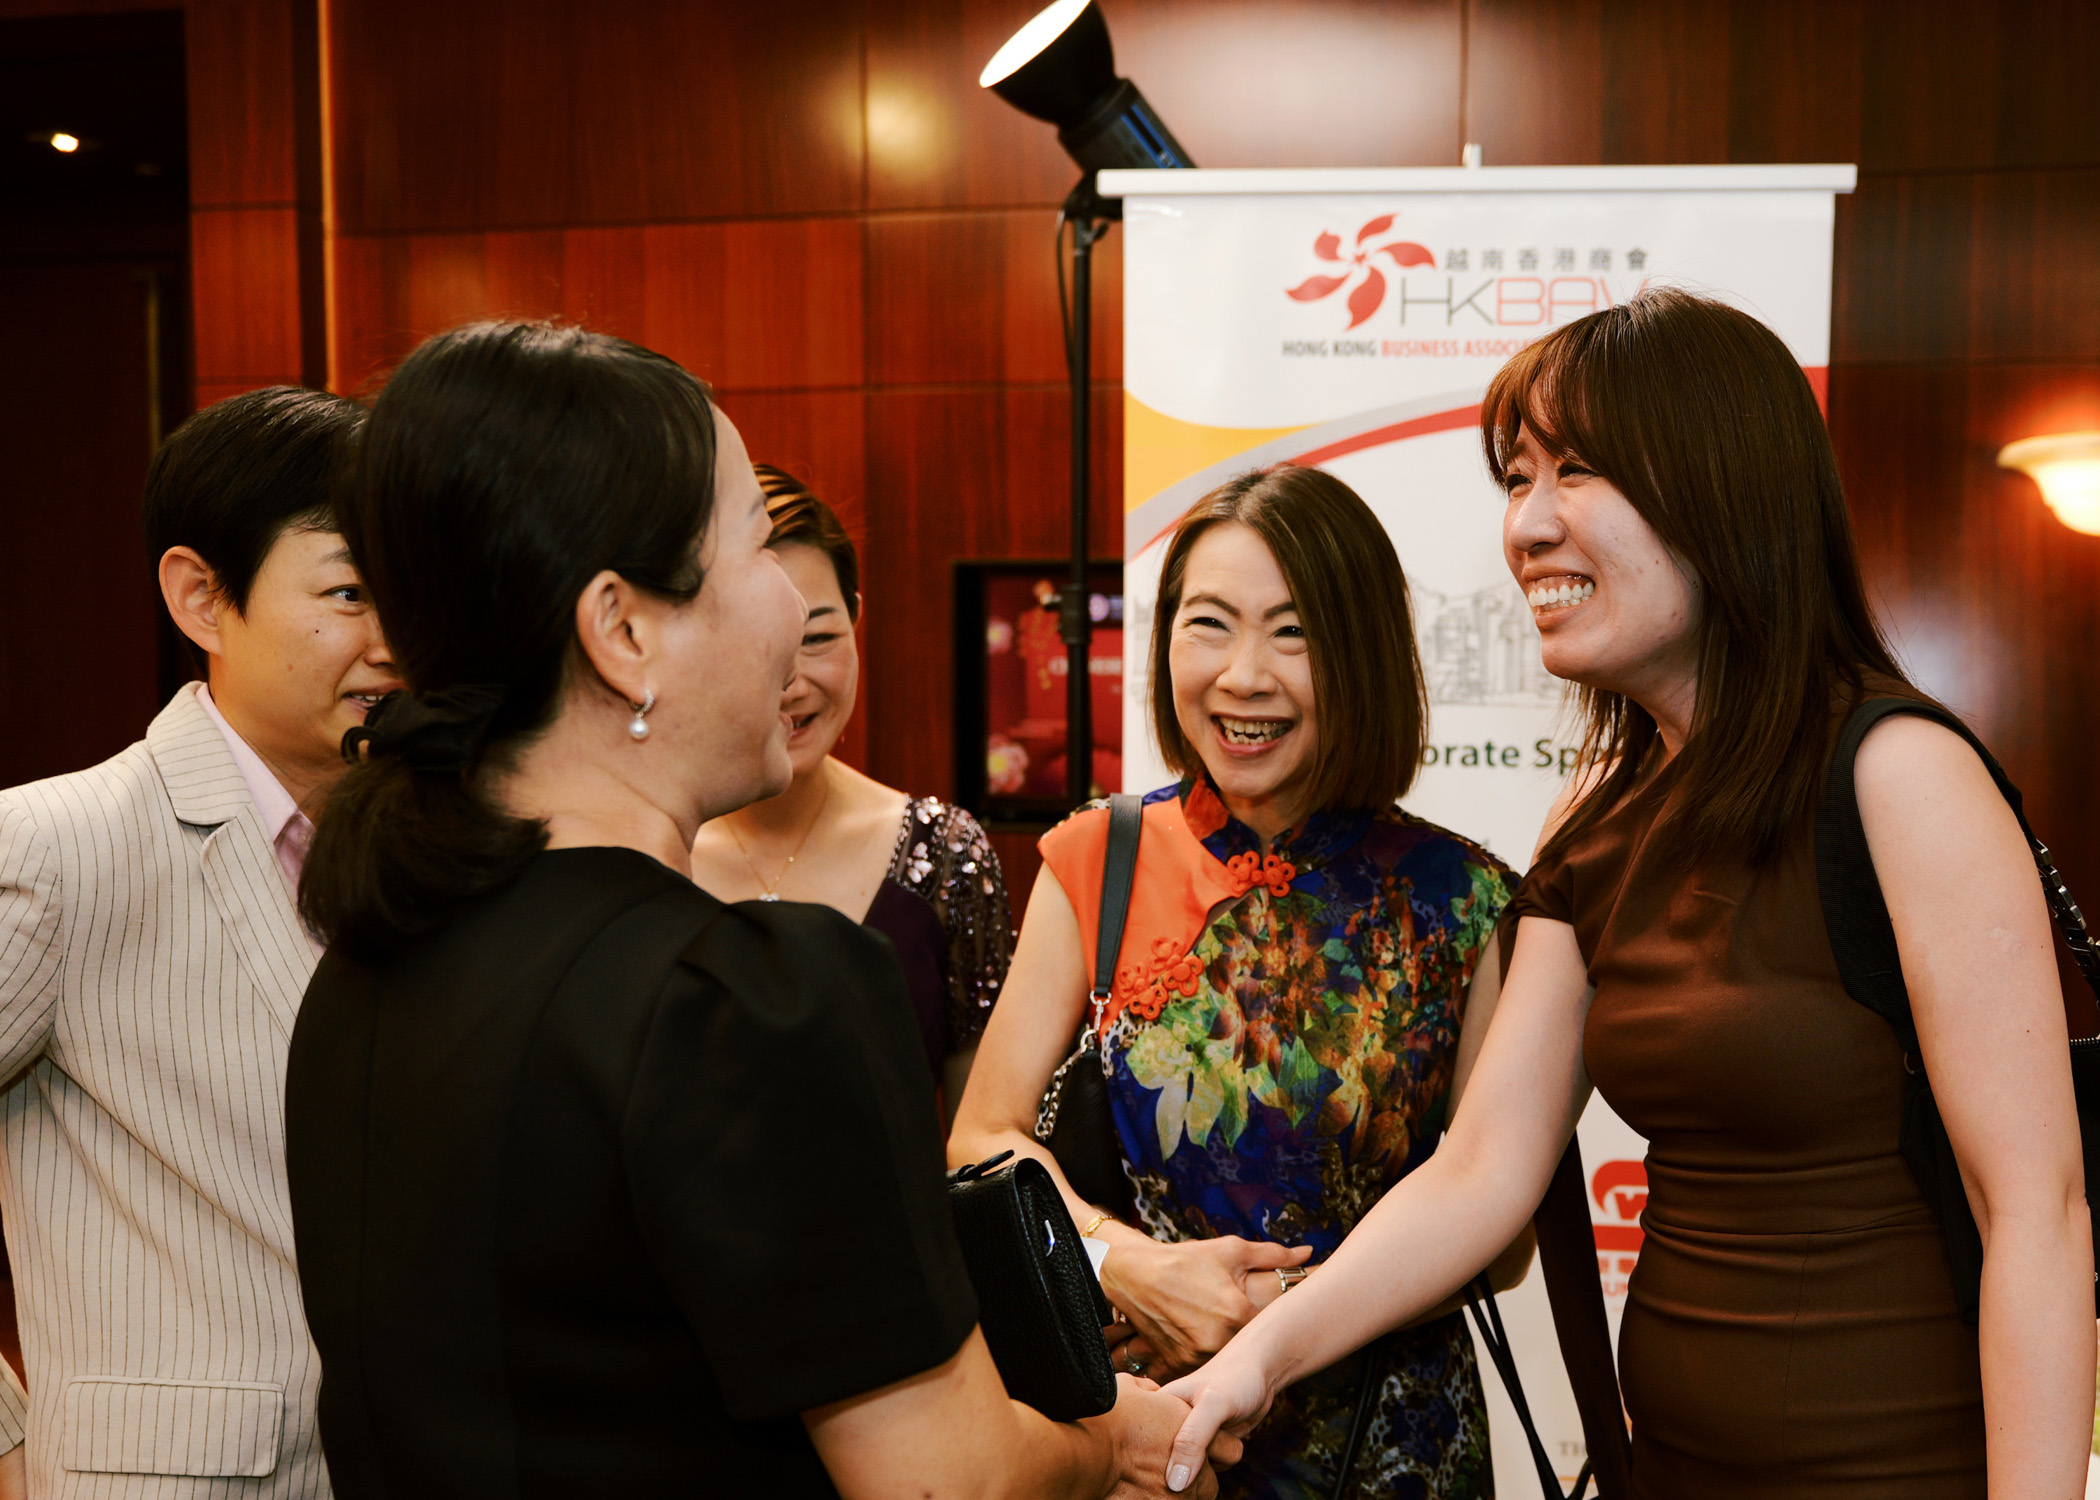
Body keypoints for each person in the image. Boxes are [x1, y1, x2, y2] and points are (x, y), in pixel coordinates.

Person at [1161, 290, 2094, 1498]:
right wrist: (1259, 1360)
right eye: (1517, 479)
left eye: (1577, 471)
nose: (1527, 525)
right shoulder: (1600, 817)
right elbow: (1484, 1168)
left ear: (1723, 491)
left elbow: (2034, 1213)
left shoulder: (1897, 774)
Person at [284, 320, 1225, 1500]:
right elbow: (949, 1483)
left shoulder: (365, 972)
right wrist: (1111, 1443)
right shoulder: (743, 1002)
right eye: (753, 549)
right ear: (623, 632)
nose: (792, 609)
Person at [950, 464, 1532, 1500]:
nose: (1243, 676)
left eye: (1293, 632)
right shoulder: (1098, 858)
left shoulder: (1466, 899)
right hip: (1150, 1435)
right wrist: (1131, 1266)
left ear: (1361, 652)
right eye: (1208, 625)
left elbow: (1505, 1235)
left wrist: (1274, 1316)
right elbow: (981, 1136)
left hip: (1391, 1448)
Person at [0, 386, 397, 1498]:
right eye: (351, 592)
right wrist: (9, 1439)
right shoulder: (57, 846)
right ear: (201, 598)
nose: (396, 642)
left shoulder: (439, 850)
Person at [691, 464, 1013, 1121]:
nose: (793, 683)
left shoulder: (944, 855)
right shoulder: (643, 847)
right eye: (758, 645)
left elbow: (985, 1136)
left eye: (818, 639)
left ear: (857, 618)